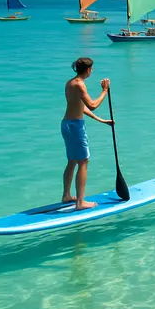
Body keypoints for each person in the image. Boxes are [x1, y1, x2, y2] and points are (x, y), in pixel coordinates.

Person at [62, 58, 112, 210]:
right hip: (75, 127)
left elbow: (80, 107)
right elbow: (92, 105)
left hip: (66, 124)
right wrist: (104, 90)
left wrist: (101, 120)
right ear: (88, 70)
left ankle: (66, 196)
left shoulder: (70, 83)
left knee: (72, 161)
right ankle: (80, 203)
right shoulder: (79, 84)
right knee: (83, 162)